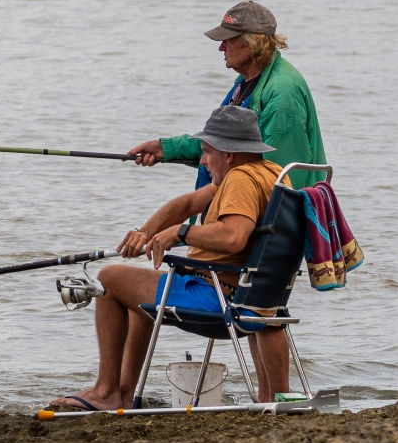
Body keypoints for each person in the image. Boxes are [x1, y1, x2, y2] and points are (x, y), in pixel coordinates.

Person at [51, 106, 293, 412]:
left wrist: (181, 233)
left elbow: (234, 236)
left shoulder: (240, 180)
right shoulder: (270, 173)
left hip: (216, 296)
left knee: (111, 279)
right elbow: (188, 204)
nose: (203, 161)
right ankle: (122, 393)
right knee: (136, 289)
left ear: (229, 154)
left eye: (207, 152)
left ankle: (107, 390)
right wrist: (146, 232)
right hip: (252, 297)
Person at [127, 0, 327, 189]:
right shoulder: (247, 80)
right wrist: (167, 149)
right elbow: (221, 142)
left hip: (268, 207)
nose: (221, 47)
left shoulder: (283, 91)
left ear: (252, 43)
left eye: (227, 40)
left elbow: (279, 174)